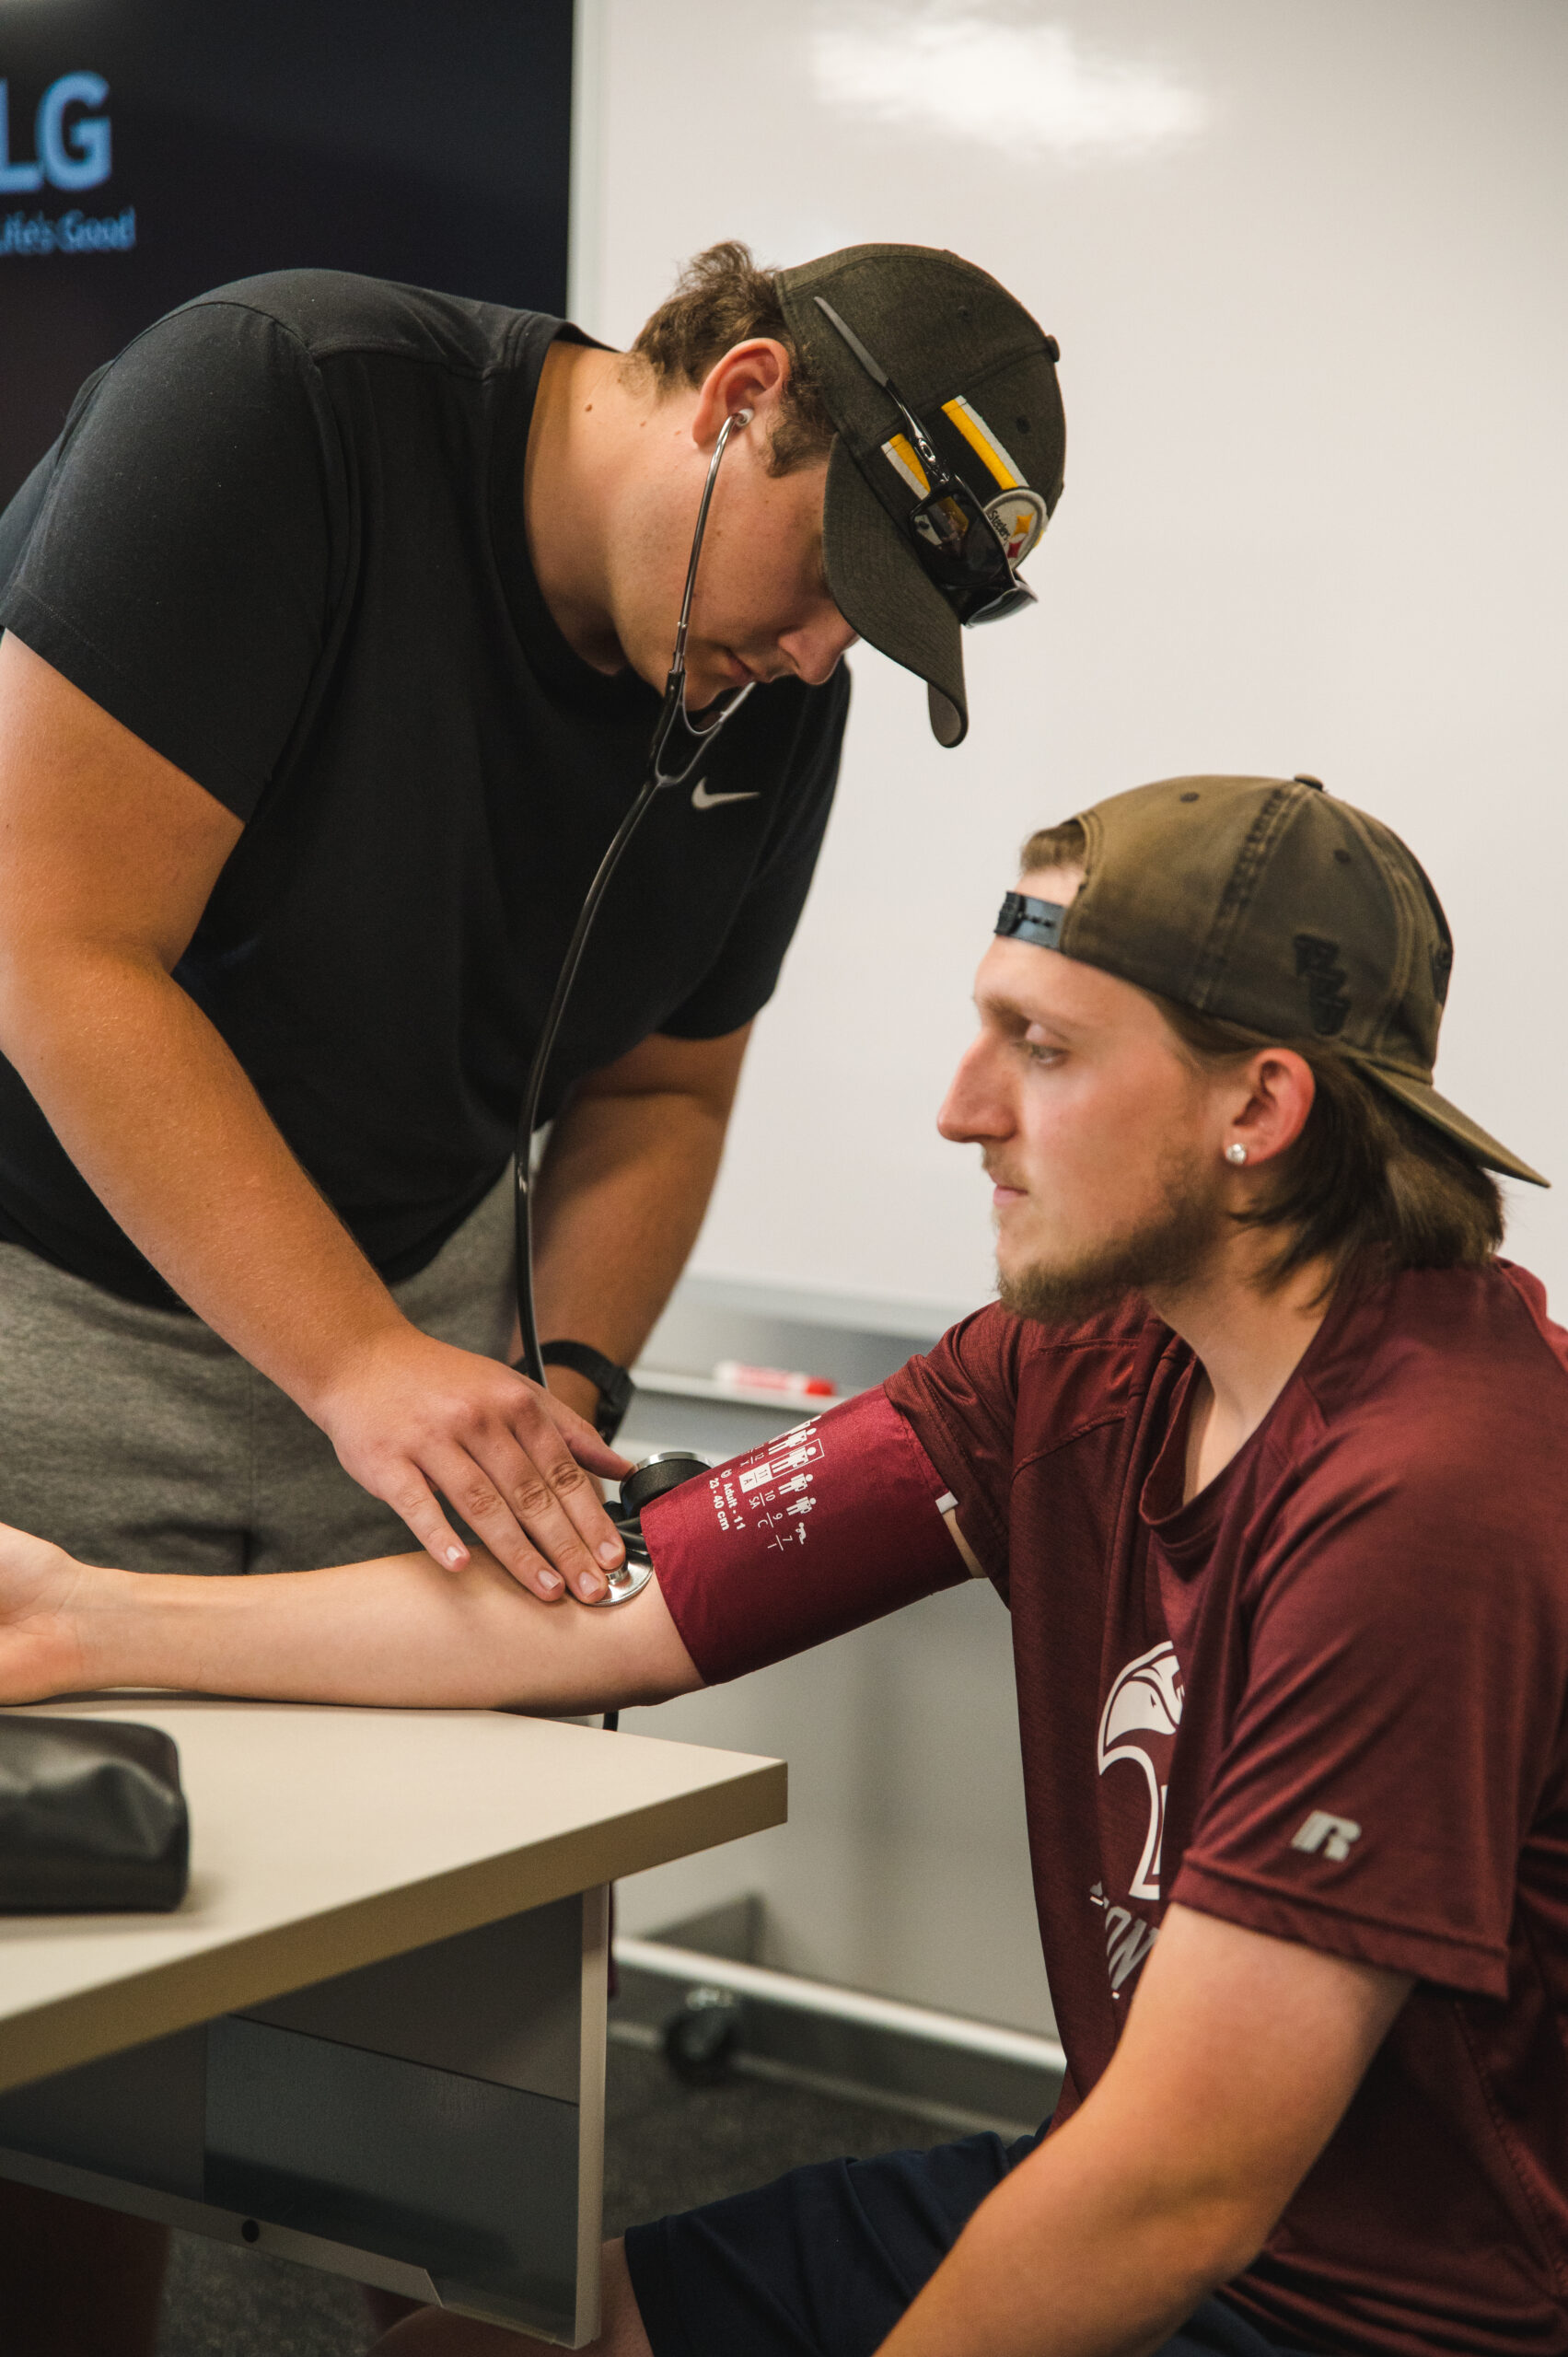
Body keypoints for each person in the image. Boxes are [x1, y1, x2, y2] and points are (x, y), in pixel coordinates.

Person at [3, 770, 1561, 2357]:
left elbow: (1182, 2187)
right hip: (1148, 2188)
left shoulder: (1433, 1491)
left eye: (1042, 1047)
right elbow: (622, 1604)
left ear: (1260, 1111)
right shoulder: (1077, 1364)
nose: (963, 1108)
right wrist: (83, 1616)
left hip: (1386, 2315)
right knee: (463, 2351)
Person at [0, 240, 1064, 2353]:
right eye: (829, 574)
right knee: (67, 2032)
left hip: (421, 1326)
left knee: (457, 2055)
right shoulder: (283, 405)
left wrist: (558, 1378)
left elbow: (661, 1088)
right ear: (736, 392)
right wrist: (358, 1365)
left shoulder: (775, 685)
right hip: (62, 1281)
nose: (821, 650)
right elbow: (50, 942)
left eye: (872, 626)